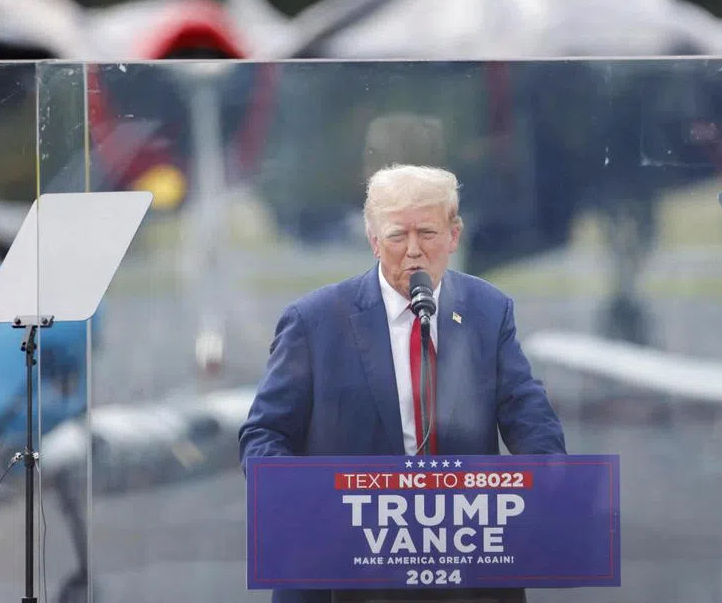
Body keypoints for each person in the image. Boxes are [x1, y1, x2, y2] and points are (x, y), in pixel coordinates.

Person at [239, 163, 567, 603]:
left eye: (428, 234)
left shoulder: (488, 311)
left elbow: (526, 411)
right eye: (397, 236)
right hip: (343, 572)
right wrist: (303, 500)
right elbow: (263, 434)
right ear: (374, 241)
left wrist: (550, 478)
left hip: (462, 568)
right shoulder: (315, 321)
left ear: (454, 235)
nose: (413, 251)